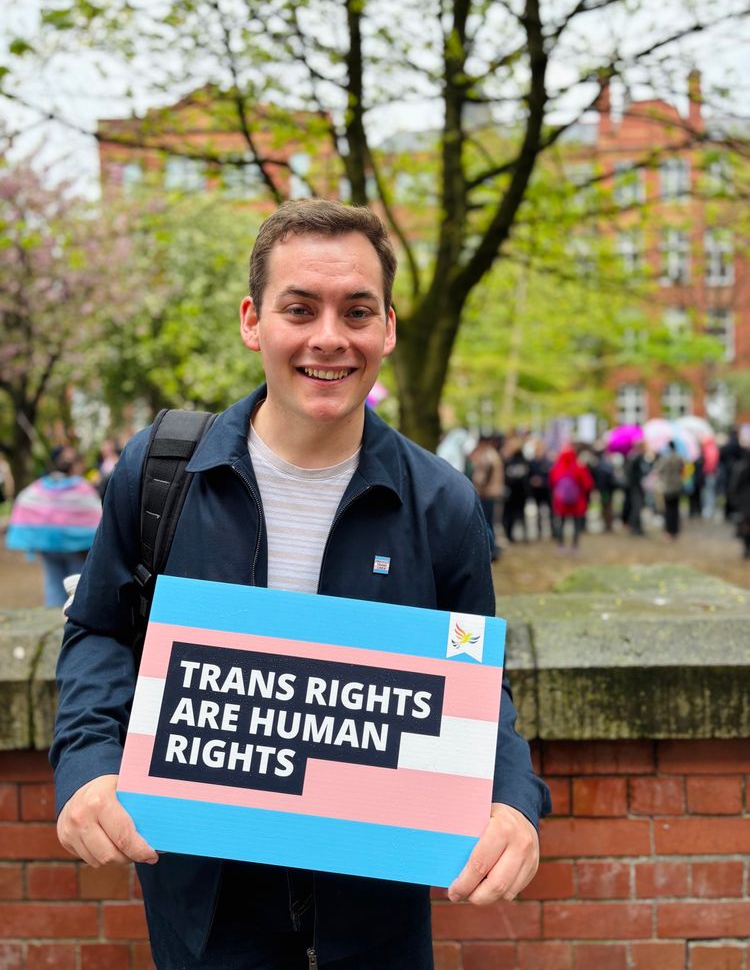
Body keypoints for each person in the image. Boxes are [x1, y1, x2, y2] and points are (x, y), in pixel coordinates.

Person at [51, 201, 550, 970]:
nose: (328, 337)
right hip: (205, 903)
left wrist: (514, 799)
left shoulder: (443, 502)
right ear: (254, 321)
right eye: (299, 308)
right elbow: (101, 630)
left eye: (356, 311)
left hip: (374, 906)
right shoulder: (162, 472)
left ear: (387, 328)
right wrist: (87, 764)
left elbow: (474, 682)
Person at [5, 446, 102, 607]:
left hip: (48, 547)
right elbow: (97, 514)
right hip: (77, 549)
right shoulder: (82, 487)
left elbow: (24, 501)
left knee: (53, 585)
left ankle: (54, 620)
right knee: (77, 586)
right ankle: (74, 624)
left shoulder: (40, 486)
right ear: (72, 468)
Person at [549, 445, 594, 552]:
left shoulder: (556, 468)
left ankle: (561, 545)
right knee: (576, 525)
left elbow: (551, 483)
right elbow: (588, 484)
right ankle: (575, 546)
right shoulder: (578, 468)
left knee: (561, 524)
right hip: (577, 502)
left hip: (561, 502)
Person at [469, 435, 504, 560]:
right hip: (493, 493)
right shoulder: (494, 454)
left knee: (487, 523)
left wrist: (474, 484)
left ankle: (492, 549)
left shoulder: (487, 457)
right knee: (491, 522)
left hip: (486, 494)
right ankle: (493, 548)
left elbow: (481, 478)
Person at [655, 441, 684, 540]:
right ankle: (675, 530)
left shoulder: (665, 458)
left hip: (667, 487)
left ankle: (668, 530)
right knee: (675, 509)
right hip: (677, 486)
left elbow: (658, 470)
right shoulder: (679, 458)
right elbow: (682, 470)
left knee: (668, 509)